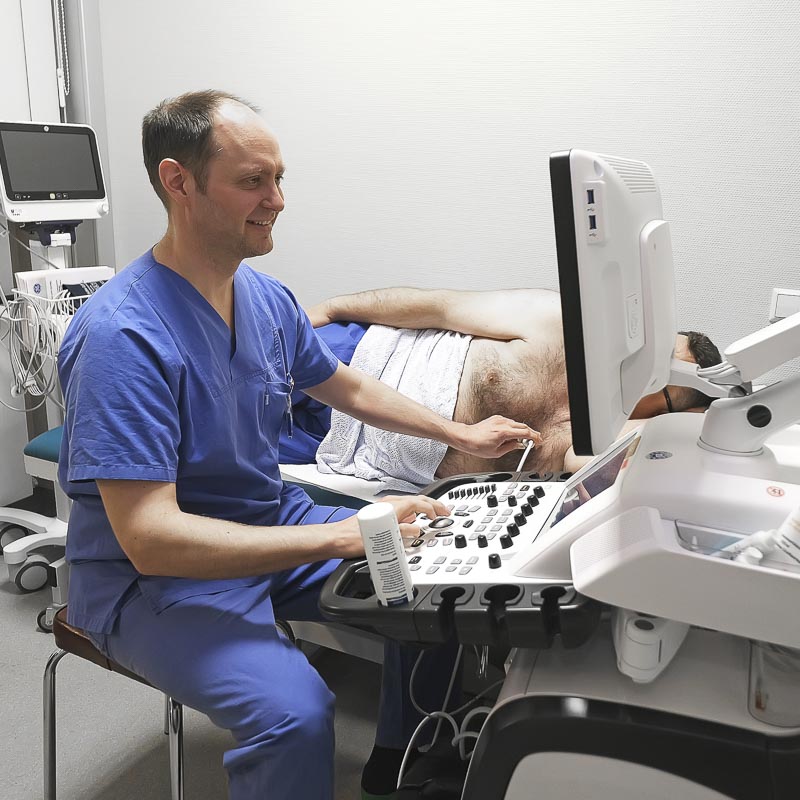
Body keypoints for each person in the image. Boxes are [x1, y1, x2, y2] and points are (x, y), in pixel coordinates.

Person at [57, 90, 540, 800]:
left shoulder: (267, 300)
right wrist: (344, 536)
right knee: (295, 716)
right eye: (253, 181)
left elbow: (345, 386)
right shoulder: (121, 338)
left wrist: (457, 432)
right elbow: (153, 539)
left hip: (266, 521)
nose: (277, 199)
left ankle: (404, 763)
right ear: (177, 181)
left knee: (428, 579)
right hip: (152, 581)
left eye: (279, 178)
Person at [277, 286, 722, 488]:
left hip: (338, 445)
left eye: (662, 381)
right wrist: (329, 311)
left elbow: (595, 461)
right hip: (359, 355)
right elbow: (438, 307)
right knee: (218, 369)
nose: (642, 368)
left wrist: (702, 423)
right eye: (655, 353)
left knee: (214, 440)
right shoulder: (561, 326)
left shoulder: (593, 440)